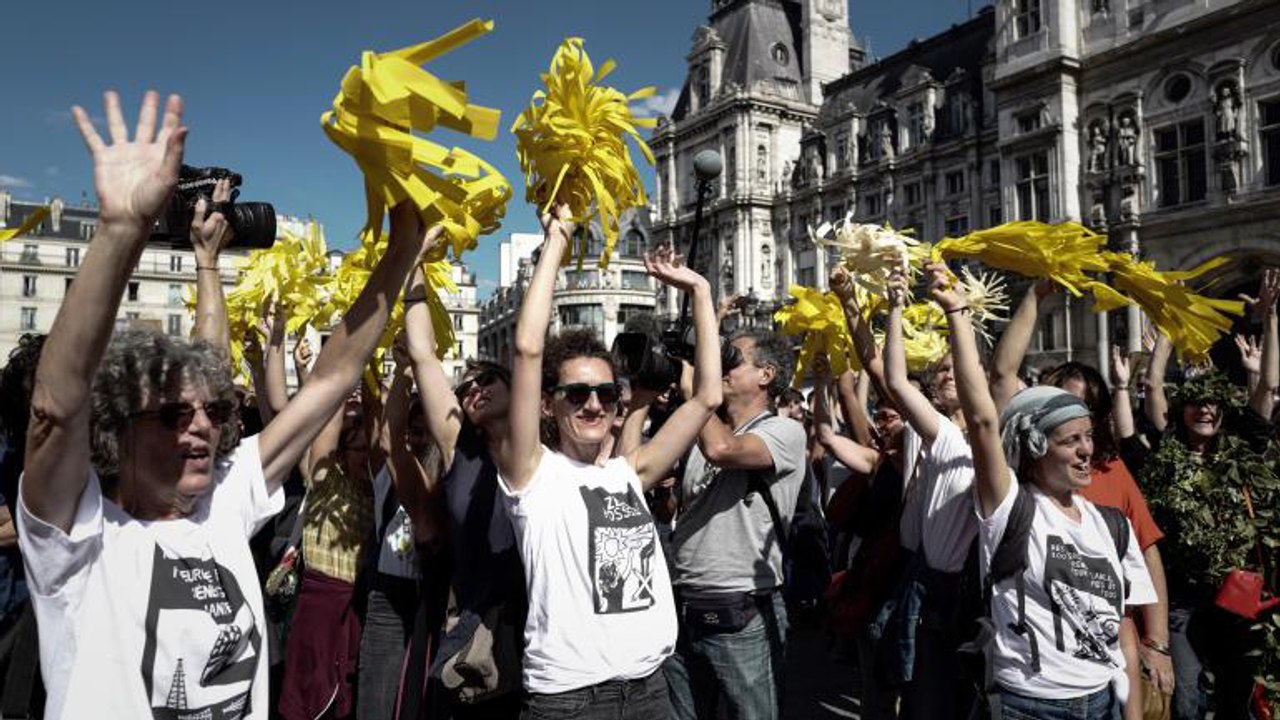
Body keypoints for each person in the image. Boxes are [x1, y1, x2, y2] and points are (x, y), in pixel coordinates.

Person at [18, 90, 435, 719]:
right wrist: (119, 234)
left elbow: (328, 380)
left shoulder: (222, 501)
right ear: (117, 431)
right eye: (171, 415)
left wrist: (402, 248)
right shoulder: (76, 536)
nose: (203, 430)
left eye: (215, 414)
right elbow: (56, 405)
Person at [495, 205, 723, 719]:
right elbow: (529, 350)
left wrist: (700, 293)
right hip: (572, 702)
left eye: (604, 392)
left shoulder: (628, 473)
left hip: (650, 691)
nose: (594, 404)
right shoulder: (532, 476)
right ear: (549, 402)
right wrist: (558, 239)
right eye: (576, 393)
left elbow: (707, 397)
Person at [930, 260, 1156, 719]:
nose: (1084, 452)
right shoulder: (1010, 507)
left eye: (1089, 439)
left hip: (1103, 702)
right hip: (1030, 706)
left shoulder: (1110, 525)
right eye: (1070, 441)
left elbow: (1123, 630)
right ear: (1035, 448)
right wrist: (957, 314)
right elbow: (982, 418)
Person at [989, 281, 1175, 716]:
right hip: (1035, 690)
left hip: (1106, 672)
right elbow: (1000, 380)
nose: (1082, 435)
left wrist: (1158, 643)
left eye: (1091, 414)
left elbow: (1145, 560)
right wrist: (1035, 296)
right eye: (1068, 407)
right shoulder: (1013, 492)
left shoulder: (1111, 473)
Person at [399, 259, 527, 719]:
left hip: (543, 631)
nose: (474, 388)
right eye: (467, 386)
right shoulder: (463, 450)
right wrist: (414, 264)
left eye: (488, 379)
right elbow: (424, 356)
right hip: (482, 635)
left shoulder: (545, 456)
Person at [663, 318, 807, 720]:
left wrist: (697, 395)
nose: (720, 366)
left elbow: (723, 449)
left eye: (732, 358)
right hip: (683, 603)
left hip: (741, 610)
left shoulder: (786, 432)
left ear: (767, 375)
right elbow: (679, 511)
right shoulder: (703, 431)